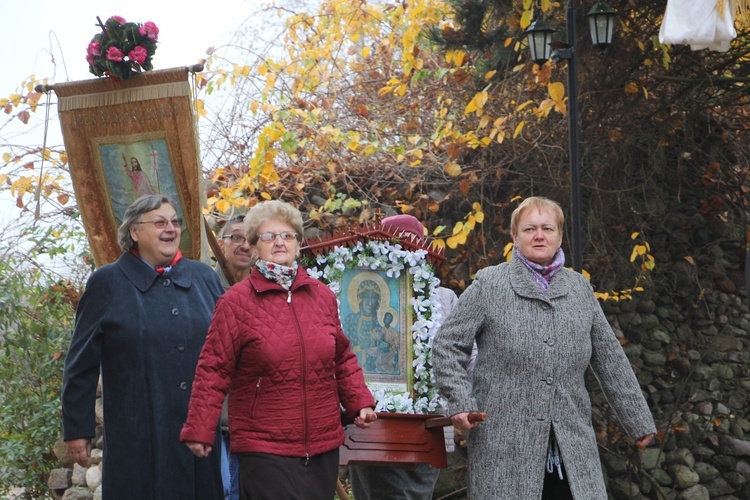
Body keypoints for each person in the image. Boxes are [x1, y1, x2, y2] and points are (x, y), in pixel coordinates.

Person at [432, 196, 656, 499]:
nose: (539, 235)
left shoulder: (579, 289)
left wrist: (637, 421)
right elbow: (448, 345)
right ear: (515, 236)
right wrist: (460, 400)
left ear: (560, 236)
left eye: (547, 228)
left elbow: (610, 359)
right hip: (504, 447)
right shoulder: (490, 285)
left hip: (571, 446)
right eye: (530, 229)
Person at [180, 199, 377, 500]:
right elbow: (213, 368)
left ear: (299, 244)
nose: (279, 242)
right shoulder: (236, 302)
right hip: (264, 445)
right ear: (255, 246)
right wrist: (200, 427)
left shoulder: (322, 296)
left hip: (322, 443)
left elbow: (341, 356)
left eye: (287, 235)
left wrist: (360, 402)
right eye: (269, 236)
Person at [61, 194, 224, 500]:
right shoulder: (107, 283)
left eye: (175, 222)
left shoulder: (203, 277)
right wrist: (77, 428)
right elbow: (80, 362)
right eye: (160, 222)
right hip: (137, 436)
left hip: (200, 436)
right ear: (134, 232)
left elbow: (230, 346)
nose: (171, 229)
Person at [348, 214, 461, 500]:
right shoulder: (359, 301)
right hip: (376, 423)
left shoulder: (443, 298)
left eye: (414, 245)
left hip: (427, 423)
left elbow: (463, 355)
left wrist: (462, 401)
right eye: (399, 245)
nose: (407, 253)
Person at [215, 215, 255, 500]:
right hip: (213, 422)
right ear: (220, 244)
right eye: (236, 238)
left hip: (252, 421)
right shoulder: (201, 287)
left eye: (249, 240)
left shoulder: (264, 291)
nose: (244, 246)